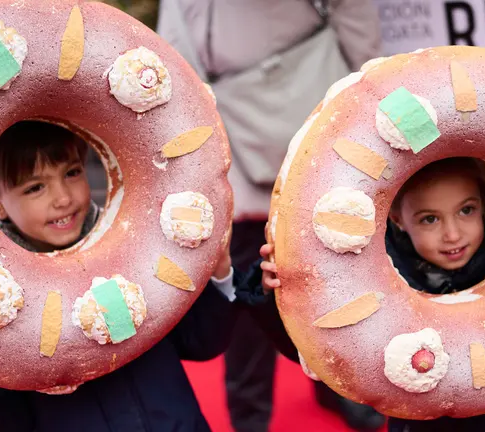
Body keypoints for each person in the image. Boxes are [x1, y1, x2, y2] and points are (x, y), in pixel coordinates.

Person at [0, 120, 239, 432]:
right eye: (34, 188)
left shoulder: (133, 252)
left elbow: (203, 342)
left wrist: (219, 271)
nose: (62, 198)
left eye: (72, 173)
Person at [157, 1, 384, 430]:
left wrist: (366, 108)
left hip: (324, 120)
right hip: (233, 134)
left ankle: (339, 385)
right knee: (249, 285)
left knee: (337, 270)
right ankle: (251, 413)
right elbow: (180, 64)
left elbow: (359, 32)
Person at [242, 158, 485, 432]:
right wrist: (273, 297)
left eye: (466, 210)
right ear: (397, 219)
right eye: (429, 219)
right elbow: (320, 350)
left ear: (484, 206)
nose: (453, 234)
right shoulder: (377, 282)